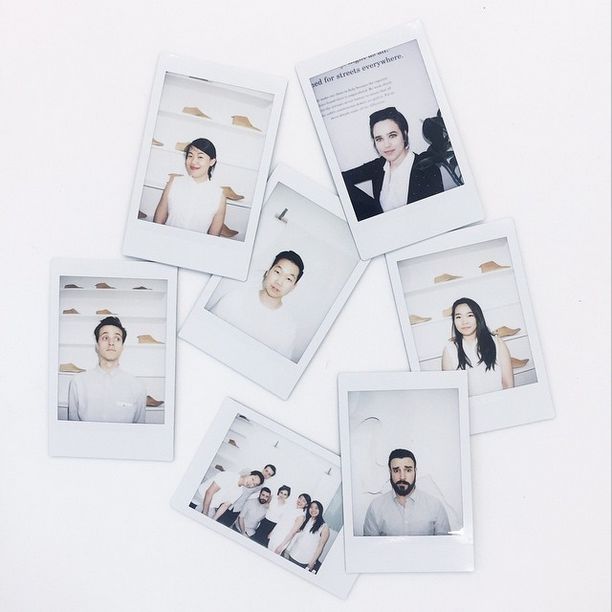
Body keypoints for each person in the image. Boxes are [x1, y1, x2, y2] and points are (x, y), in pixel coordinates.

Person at [341, 106, 444, 221]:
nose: (386, 145)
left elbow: (435, 218)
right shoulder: (379, 165)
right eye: (379, 139)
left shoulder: (428, 171)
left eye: (392, 135)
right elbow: (340, 179)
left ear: (404, 135)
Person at [209, 251, 304, 360]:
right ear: (268, 272)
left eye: (288, 279)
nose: (279, 282)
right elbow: (208, 328)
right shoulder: (237, 297)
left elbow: (276, 364)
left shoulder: (288, 327)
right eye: (277, 272)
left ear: (293, 287)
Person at [67, 316, 146, 423]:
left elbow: (139, 429)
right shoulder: (78, 383)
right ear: (97, 346)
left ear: (122, 347)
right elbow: (72, 427)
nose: (111, 343)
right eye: (105, 338)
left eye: (117, 338)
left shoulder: (137, 386)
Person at [363, 449, 450, 536]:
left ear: (415, 471)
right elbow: (370, 544)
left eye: (408, 470)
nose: (402, 477)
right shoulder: (375, 508)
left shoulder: (435, 506)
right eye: (396, 471)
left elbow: (445, 543)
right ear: (390, 472)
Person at [153, 138, 227, 235]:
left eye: (200, 157)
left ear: (212, 162)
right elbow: (158, 222)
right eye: (190, 156)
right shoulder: (174, 183)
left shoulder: (219, 196)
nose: (193, 161)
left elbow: (213, 237)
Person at [441, 297, 514, 396]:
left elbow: (508, 384)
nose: (464, 322)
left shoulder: (497, 342)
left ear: (478, 317)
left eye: (470, 315)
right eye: (458, 317)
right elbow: (451, 393)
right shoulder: (449, 350)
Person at [216, 464, 276, 528]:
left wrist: (268, 502)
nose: (266, 474)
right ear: (263, 469)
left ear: (270, 477)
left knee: (225, 527)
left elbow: (249, 495)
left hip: (237, 508)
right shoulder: (249, 472)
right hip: (226, 501)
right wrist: (223, 470)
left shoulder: (261, 486)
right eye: (266, 471)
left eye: (269, 474)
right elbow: (235, 479)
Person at [189, 470, 264, 521]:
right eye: (252, 479)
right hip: (198, 499)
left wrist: (213, 520)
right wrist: (205, 514)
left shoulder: (239, 491)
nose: (251, 484)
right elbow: (209, 492)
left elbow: (225, 506)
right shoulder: (229, 476)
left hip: (210, 506)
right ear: (249, 474)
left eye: (254, 484)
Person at [284, 500, 330, 572]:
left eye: (316, 508)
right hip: (293, 553)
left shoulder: (324, 527)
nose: (313, 510)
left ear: (320, 510)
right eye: (311, 507)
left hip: (304, 559)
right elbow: (296, 535)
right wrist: (287, 549)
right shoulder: (305, 520)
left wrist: (312, 562)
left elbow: (320, 546)